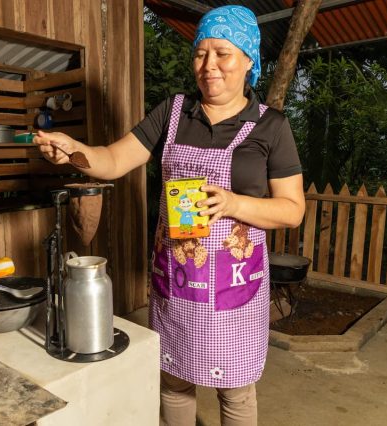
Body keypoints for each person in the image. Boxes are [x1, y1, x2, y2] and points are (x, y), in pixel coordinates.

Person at [34, 5, 305, 425]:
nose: (208, 66)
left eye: (222, 53)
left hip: (236, 291)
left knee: (234, 391)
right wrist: (74, 150)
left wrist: (233, 204)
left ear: (249, 60)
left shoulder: (271, 126)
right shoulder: (174, 112)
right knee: (175, 383)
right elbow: (111, 160)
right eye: (200, 53)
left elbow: (292, 210)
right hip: (178, 283)